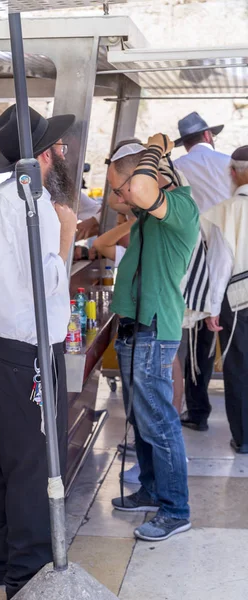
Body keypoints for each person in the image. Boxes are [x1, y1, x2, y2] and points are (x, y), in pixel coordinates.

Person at [0, 104, 76, 599]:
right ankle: (27, 575)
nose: (64, 151)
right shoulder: (34, 206)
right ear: (43, 155)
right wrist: (69, 238)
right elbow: (42, 284)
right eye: (59, 146)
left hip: (1, 349)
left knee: (11, 457)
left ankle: (3, 557)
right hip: (30, 349)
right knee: (35, 461)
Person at [109, 136, 199, 541]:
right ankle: (150, 488)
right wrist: (127, 174)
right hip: (134, 330)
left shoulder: (178, 206)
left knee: (160, 423)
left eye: (121, 187)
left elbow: (141, 188)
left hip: (153, 332)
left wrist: (154, 152)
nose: (119, 197)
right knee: (141, 419)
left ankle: (175, 509)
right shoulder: (147, 211)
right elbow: (121, 200)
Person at [174, 112, 231, 432]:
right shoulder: (228, 163)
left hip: (199, 263)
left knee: (199, 341)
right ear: (208, 135)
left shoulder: (179, 167)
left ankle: (198, 411)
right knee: (236, 346)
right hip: (237, 261)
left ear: (186, 143)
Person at [201, 146, 248, 454]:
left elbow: (220, 263)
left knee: (239, 367)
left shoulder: (227, 210)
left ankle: (243, 438)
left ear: (233, 173)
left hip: (238, 299)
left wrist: (211, 307)